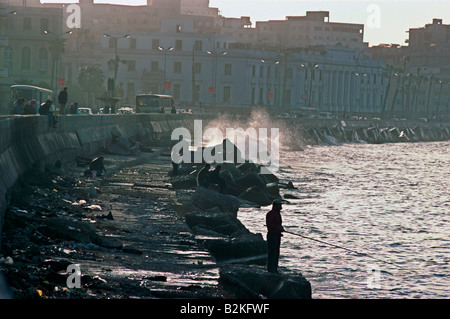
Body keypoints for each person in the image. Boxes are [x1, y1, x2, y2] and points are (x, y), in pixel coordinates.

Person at [266, 199, 285, 273]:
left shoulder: (277, 213)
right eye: (279, 205)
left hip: (277, 235)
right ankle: (271, 269)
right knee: (272, 253)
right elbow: (270, 224)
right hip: (272, 235)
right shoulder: (270, 214)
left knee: (276, 252)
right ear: (275, 205)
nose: (281, 206)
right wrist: (278, 227)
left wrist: (280, 228)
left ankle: (275, 268)